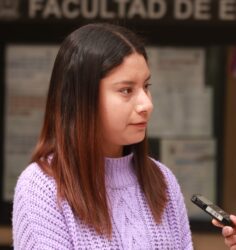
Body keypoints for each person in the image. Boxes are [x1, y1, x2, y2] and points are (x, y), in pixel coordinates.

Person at [12, 23, 193, 249]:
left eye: (146, 86)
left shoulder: (162, 180)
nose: (147, 104)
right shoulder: (43, 187)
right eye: (126, 90)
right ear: (82, 98)